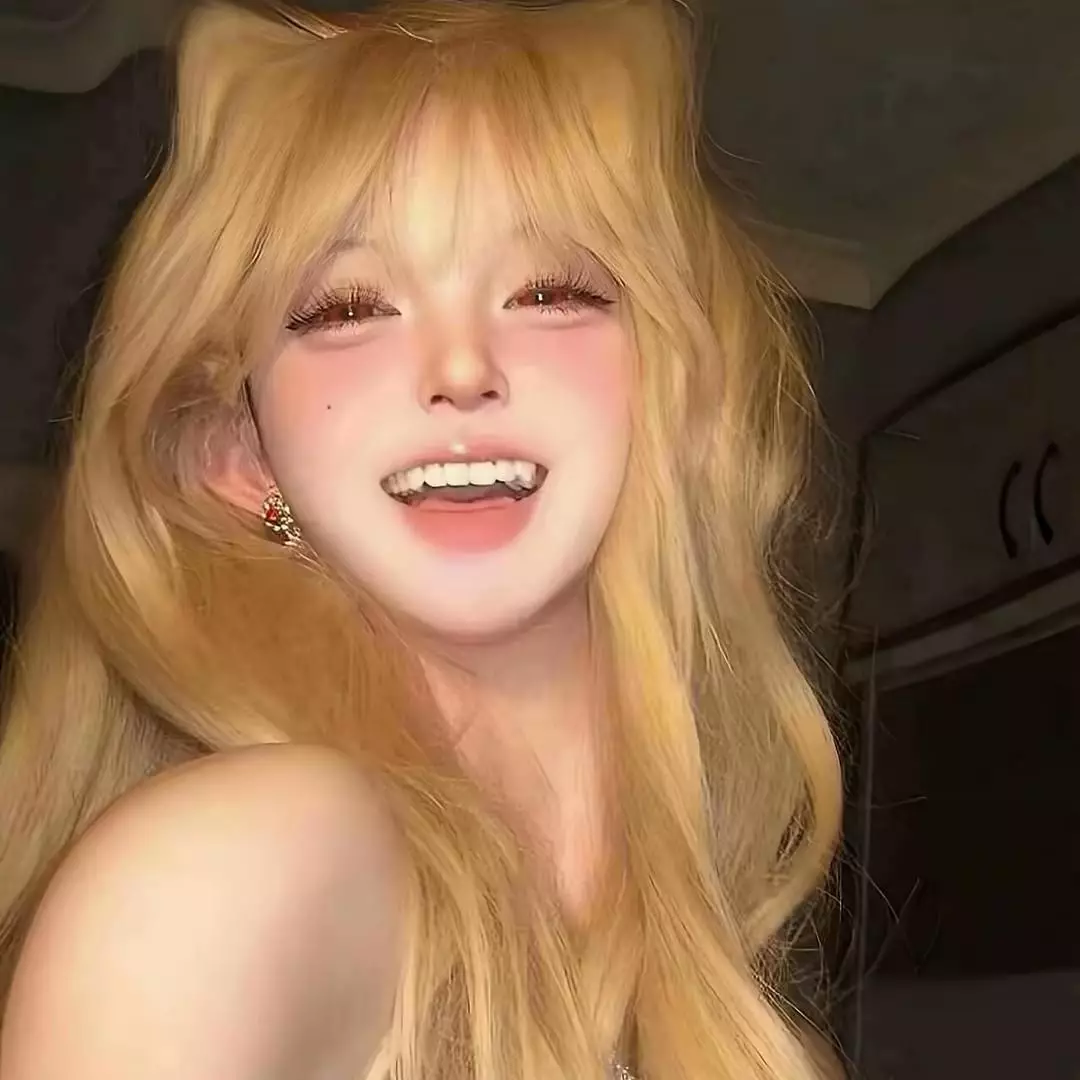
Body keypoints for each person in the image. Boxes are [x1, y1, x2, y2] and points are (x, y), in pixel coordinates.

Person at [0, 0, 843, 1077]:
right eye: (346, 308)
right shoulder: (233, 870)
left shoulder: (706, 989)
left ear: (678, 396)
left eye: (549, 290)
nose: (460, 368)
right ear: (237, 452)